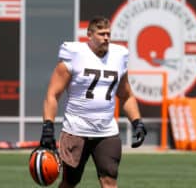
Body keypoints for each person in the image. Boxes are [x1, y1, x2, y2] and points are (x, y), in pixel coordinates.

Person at [39, 16, 147, 188]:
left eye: (108, 34)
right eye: (101, 34)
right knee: (70, 182)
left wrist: (137, 122)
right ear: (89, 34)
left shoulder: (119, 56)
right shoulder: (75, 55)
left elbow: (126, 95)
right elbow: (52, 94)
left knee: (109, 181)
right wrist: (48, 126)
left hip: (106, 131)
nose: (106, 38)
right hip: (76, 130)